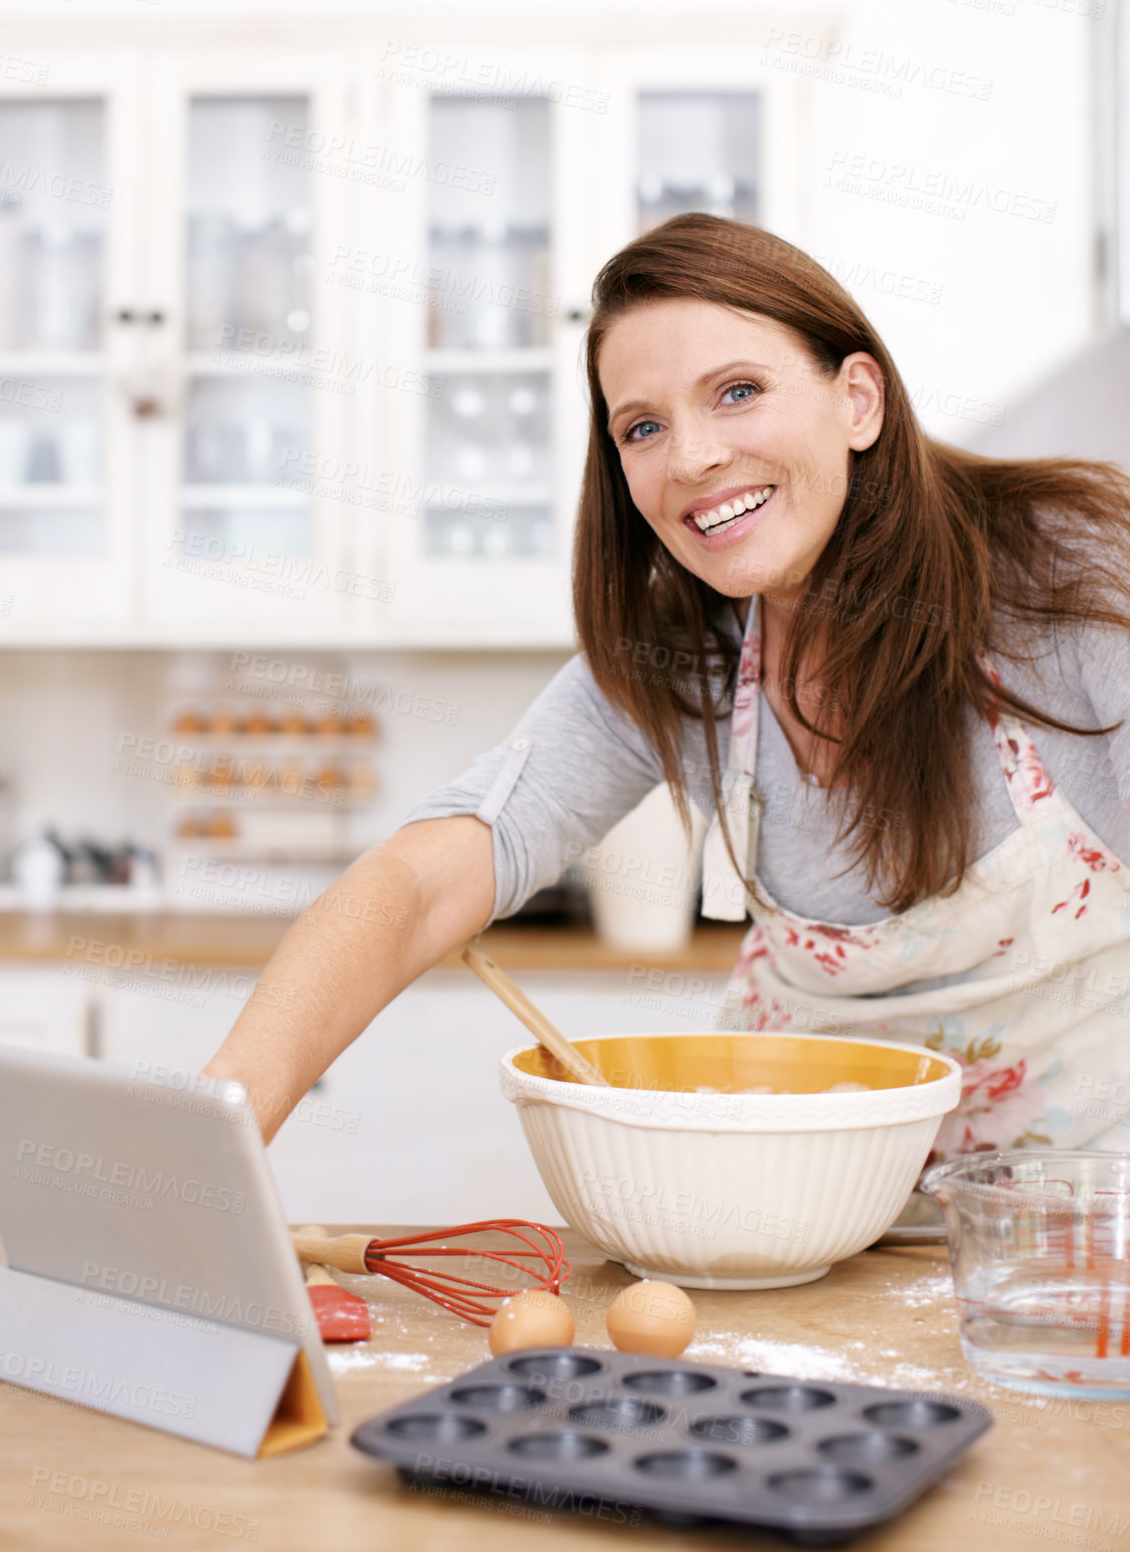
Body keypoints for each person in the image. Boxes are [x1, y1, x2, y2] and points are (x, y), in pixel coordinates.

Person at [202, 212, 1130, 1161]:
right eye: (642, 427)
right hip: (793, 1220)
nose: (690, 458)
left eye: (737, 391)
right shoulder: (681, 654)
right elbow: (422, 882)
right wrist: (219, 1125)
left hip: (1069, 1245)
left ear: (858, 401)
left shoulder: (1072, 576)